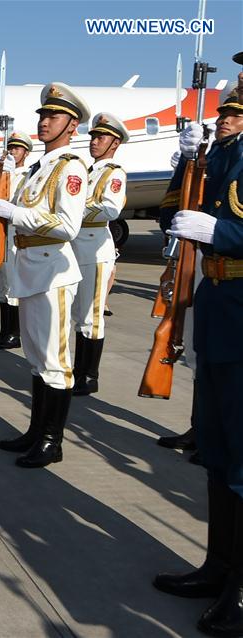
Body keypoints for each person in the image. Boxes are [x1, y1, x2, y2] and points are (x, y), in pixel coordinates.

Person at [152, 82, 243, 635]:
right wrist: (187, 162)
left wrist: (225, 233)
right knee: (215, 448)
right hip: (217, 310)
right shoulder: (225, 154)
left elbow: (220, 227)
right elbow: (175, 218)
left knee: (242, 461)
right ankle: (218, 567)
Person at [0, 82, 89, 468]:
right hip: (30, 268)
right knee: (35, 357)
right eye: (43, 115)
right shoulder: (38, 168)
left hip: (53, 272)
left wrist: (15, 214)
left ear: (72, 125)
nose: (45, 121)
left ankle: (52, 441)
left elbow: (68, 225)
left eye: (54, 116)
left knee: (55, 361)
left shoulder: (71, 168)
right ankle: (36, 431)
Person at [70, 113, 128, 395]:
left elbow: (112, 208)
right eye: (93, 136)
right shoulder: (88, 170)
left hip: (95, 249)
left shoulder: (113, 173)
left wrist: (75, 212)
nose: (94, 141)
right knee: (78, 314)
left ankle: (88, 376)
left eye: (101, 137)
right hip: (76, 246)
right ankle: (78, 370)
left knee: (91, 316)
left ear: (114, 143)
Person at [0, 130, 33, 350]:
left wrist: (10, 177)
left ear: (26, 152)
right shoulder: (3, 173)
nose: (13, 151)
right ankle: (4, 331)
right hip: (1, 234)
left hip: (15, 233)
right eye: (11, 147)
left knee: (13, 285)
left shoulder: (28, 176)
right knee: (3, 284)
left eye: (18, 148)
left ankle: (14, 334)